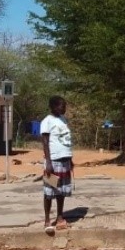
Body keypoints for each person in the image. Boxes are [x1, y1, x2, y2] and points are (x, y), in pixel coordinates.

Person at [41, 96, 73, 235]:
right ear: (53, 106)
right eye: (61, 106)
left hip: (65, 160)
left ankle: (60, 216)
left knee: (62, 191)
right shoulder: (47, 121)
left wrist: (70, 160)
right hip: (53, 161)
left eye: (65, 105)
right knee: (49, 191)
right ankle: (47, 219)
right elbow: (45, 142)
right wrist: (48, 162)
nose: (64, 108)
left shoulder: (63, 120)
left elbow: (65, 140)